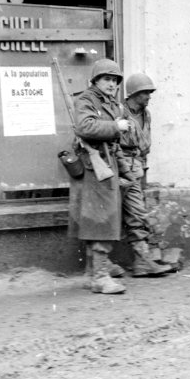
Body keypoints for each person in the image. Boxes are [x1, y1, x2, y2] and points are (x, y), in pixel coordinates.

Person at [69, 58, 131, 294]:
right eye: (107, 79)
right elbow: (85, 127)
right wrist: (117, 126)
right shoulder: (86, 99)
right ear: (95, 80)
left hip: (107, 165)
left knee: (99, 219)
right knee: (101, 221)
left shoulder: (112, 103)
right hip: (94, 169)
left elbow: (115, 145)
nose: (112, 84)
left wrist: (125, 170)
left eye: (115, 80)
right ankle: (100, 276)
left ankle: (91, 273)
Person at [118, 73, 174, 277]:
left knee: (137, 213)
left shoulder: (146, 114)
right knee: (120, 215)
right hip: (120, 168)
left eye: (150, 92)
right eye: (145, 92)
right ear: (134, 94)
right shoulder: (119, 112)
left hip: (137, 168)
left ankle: (143, 260)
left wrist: (143, 172)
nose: (149, 96)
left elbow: (144, 146)